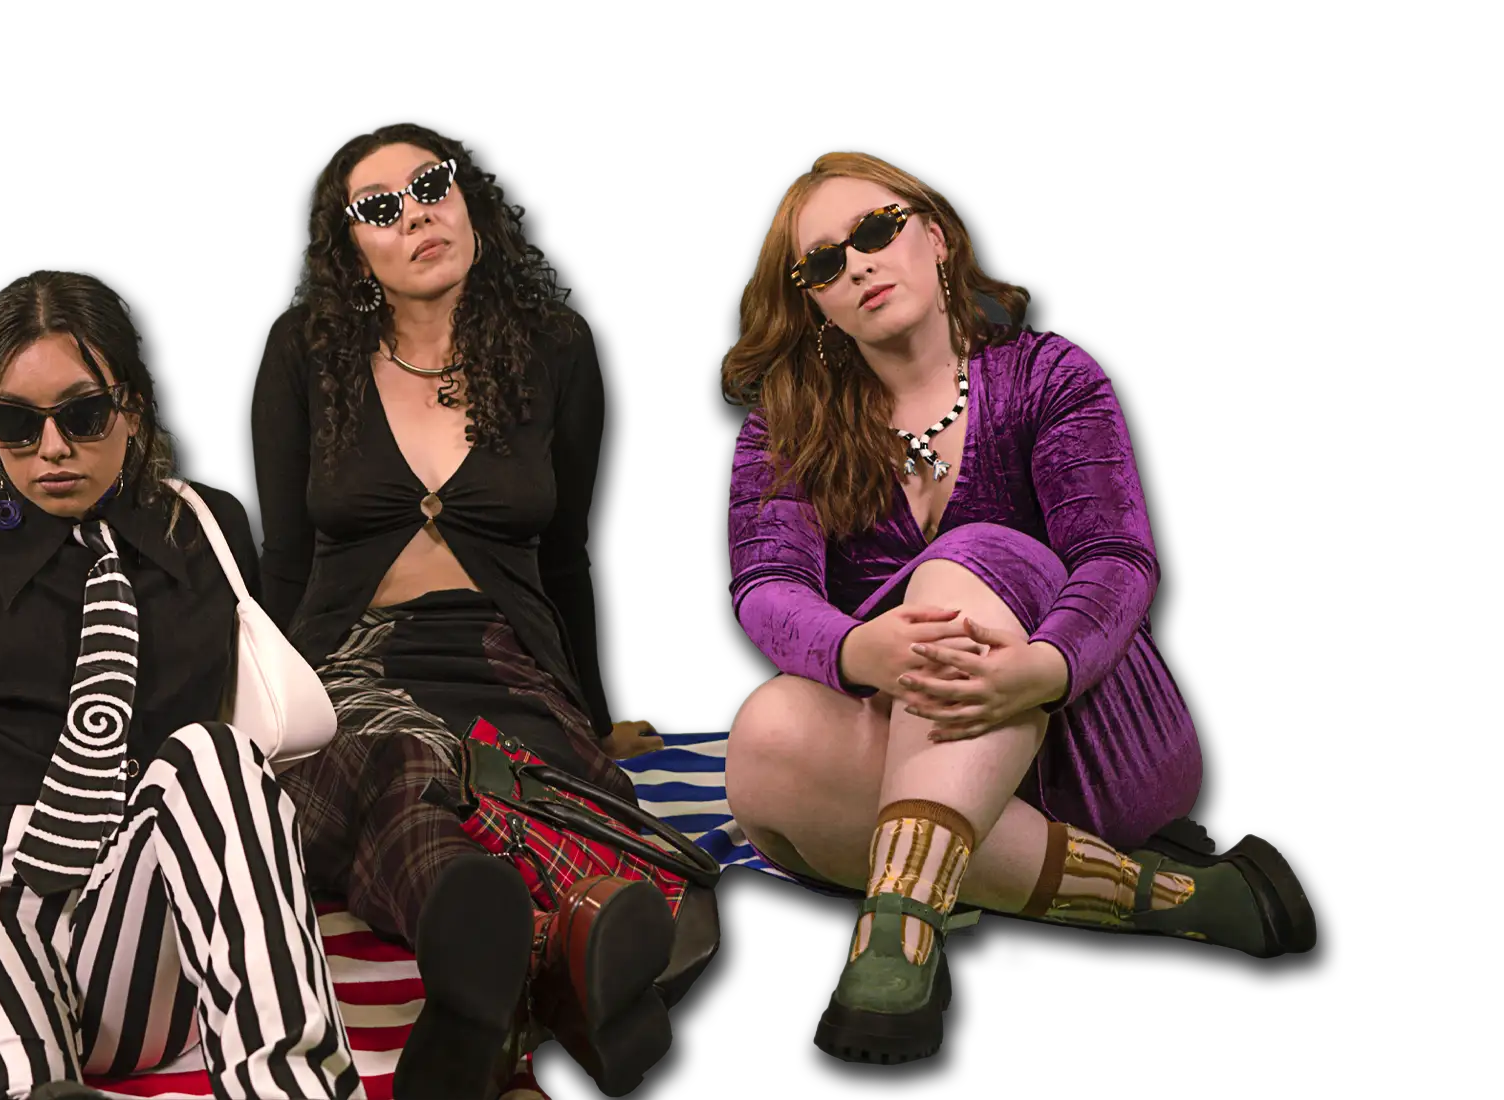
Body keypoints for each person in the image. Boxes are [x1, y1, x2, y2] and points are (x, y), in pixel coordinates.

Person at [718, 151, 1317, 1066]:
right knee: (764, 737)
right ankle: (1185, 900)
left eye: (876, 231)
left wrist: (1042, 667)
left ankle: (898, 928)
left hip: (1089, 731)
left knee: (972, 554)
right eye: (826, 262)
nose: (860, 264)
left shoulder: (1049, 375)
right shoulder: (786, 424)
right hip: (908, 747)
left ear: (936, 238)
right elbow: (766, 586)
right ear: (815, 304)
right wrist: (858, 652)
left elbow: (1118, 559)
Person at [0, 269, 364, 1100]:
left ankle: (291, 1087)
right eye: (16, 423)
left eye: (83, 415)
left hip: (141, 912)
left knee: (217, 755)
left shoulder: (206, 527)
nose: (52, 448)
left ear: (132, 406)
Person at [250, 121, 674, 1100]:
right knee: (398, 764)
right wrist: (260, 712)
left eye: (431, 185)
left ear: (468, 196)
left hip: (502, 654)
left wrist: (594, 713)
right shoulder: (303, 351)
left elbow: (567, 556)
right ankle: (536, 970)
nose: (416, 215)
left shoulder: (557, 347)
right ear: (351, 247)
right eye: (380, 207)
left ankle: (487, 1007)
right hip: (348, 658)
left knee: (549, 799)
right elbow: (281, 557)